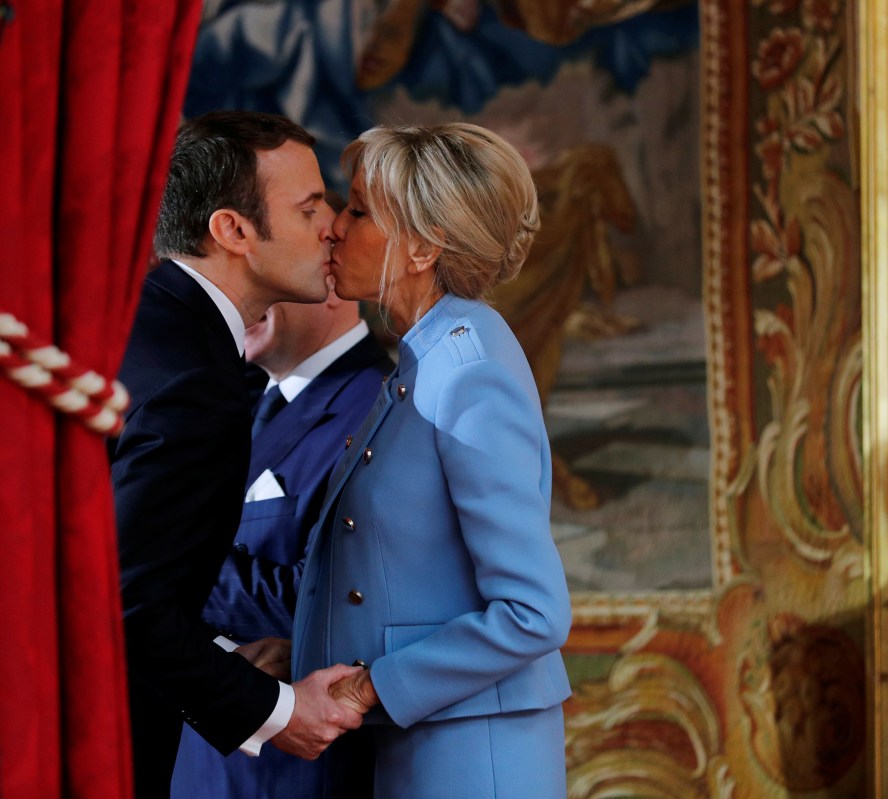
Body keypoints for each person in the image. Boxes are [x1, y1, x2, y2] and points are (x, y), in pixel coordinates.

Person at [291, 123, 573, 798]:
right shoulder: (430, 355)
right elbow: (403, 569)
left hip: (471, 759)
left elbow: (534, 611)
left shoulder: (467, 369)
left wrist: (367, 685)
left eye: (357, 210)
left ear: (421, 246)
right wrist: (305, 655)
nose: (334, 227)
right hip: (425, 746)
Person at [110, 110, 365, 798]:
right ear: (233, 231)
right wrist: (279, 709)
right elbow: (127, 601)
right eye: (310, 207)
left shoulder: (139, 319)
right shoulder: (197, 379)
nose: (332, 227)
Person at [171, 282, 393, 798]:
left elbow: (335, 601)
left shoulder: (378, 406)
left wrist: (161, 563)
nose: (236, 296)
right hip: (214, 760)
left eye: (264, 279)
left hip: (295, 770)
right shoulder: (234, 402)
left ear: (330, 283)